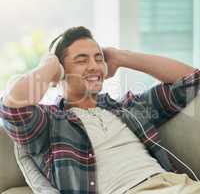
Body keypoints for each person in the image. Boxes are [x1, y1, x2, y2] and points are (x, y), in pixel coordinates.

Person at [0, 26, 200, 194]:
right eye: (81, 60)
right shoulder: (49, 124)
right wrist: (48, 66)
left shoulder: (127, 108)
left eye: (98, 58)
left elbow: (191, 80)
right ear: (59, 71)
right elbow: (12, 107)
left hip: (180, 186)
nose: (94, 66)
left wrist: (123, 57)